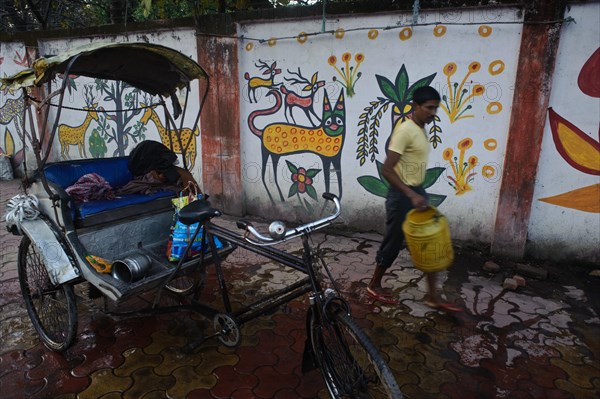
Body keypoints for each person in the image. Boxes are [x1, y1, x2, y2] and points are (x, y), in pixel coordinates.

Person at [366, 86, 460, 312]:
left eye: (436, 108)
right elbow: (387, 170)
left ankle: (432, 296)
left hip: (417, 192)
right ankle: (374, 284)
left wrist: (417, 194)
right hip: (402, 196)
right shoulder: (405, 130)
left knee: (431, 241)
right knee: (393, 242)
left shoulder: (420, 129)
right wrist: (410, 194)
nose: (433, 112)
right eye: (429, 108)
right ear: (415, 106)